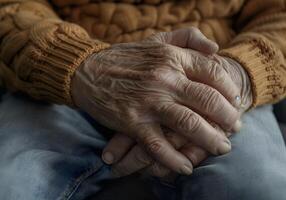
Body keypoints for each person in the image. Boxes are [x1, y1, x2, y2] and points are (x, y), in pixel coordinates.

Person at [0, 0, 286, 199]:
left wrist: (240, 74)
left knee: (259, 188)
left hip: (215, 81)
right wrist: (78, 66)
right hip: (62, 83)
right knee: (9, 184)